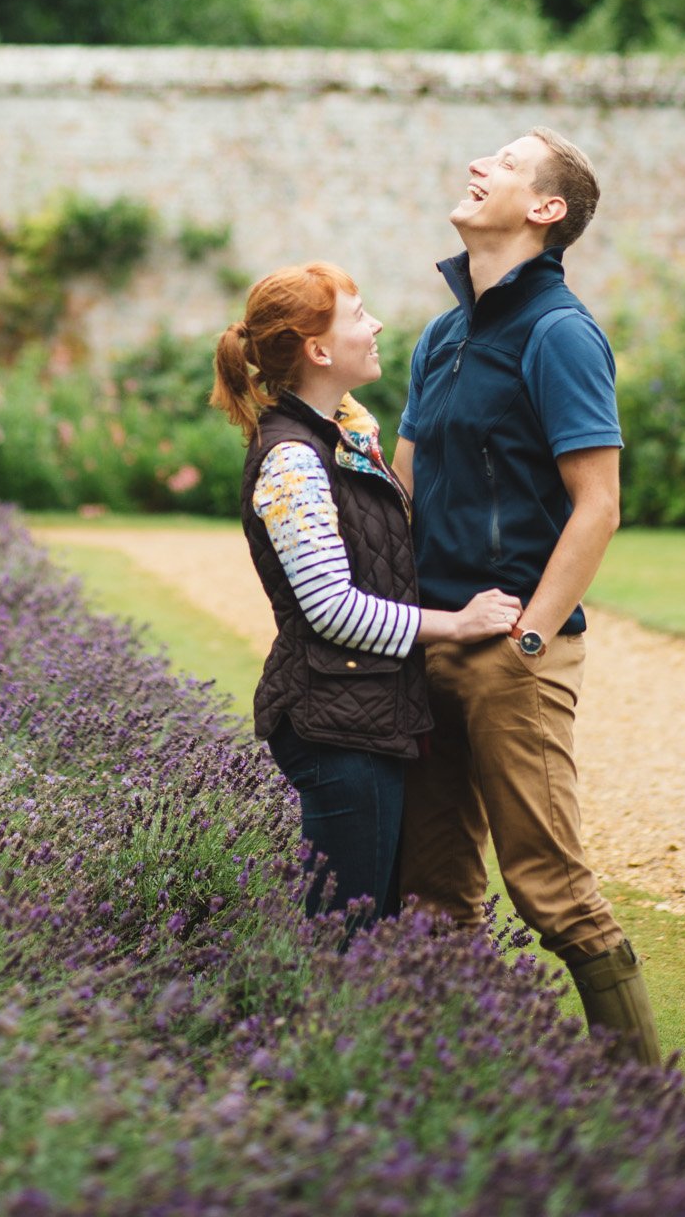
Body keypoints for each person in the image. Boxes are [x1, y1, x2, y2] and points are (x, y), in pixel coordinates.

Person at [391, 127, 659, 1063]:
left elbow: (598, 506)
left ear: (547, 211)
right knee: (430, 891)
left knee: (548, 887)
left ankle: (642, 1098)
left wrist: (530, 640)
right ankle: (453, 1085)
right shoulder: (443, 332)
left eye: (503, 164)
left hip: (513, 656)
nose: (477, 166)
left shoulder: (559, 332)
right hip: (427, 644)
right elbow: (404, 490)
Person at [211, 261, 521, 935]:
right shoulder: (292, 457)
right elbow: (330, 608)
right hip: (333, 725)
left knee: (363, 925)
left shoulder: (332, 435)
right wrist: (457, 623)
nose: (375, 325)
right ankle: (319, 1039)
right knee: (342, 938)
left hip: (360, 715)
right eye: (357, 316)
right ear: (318, 350)